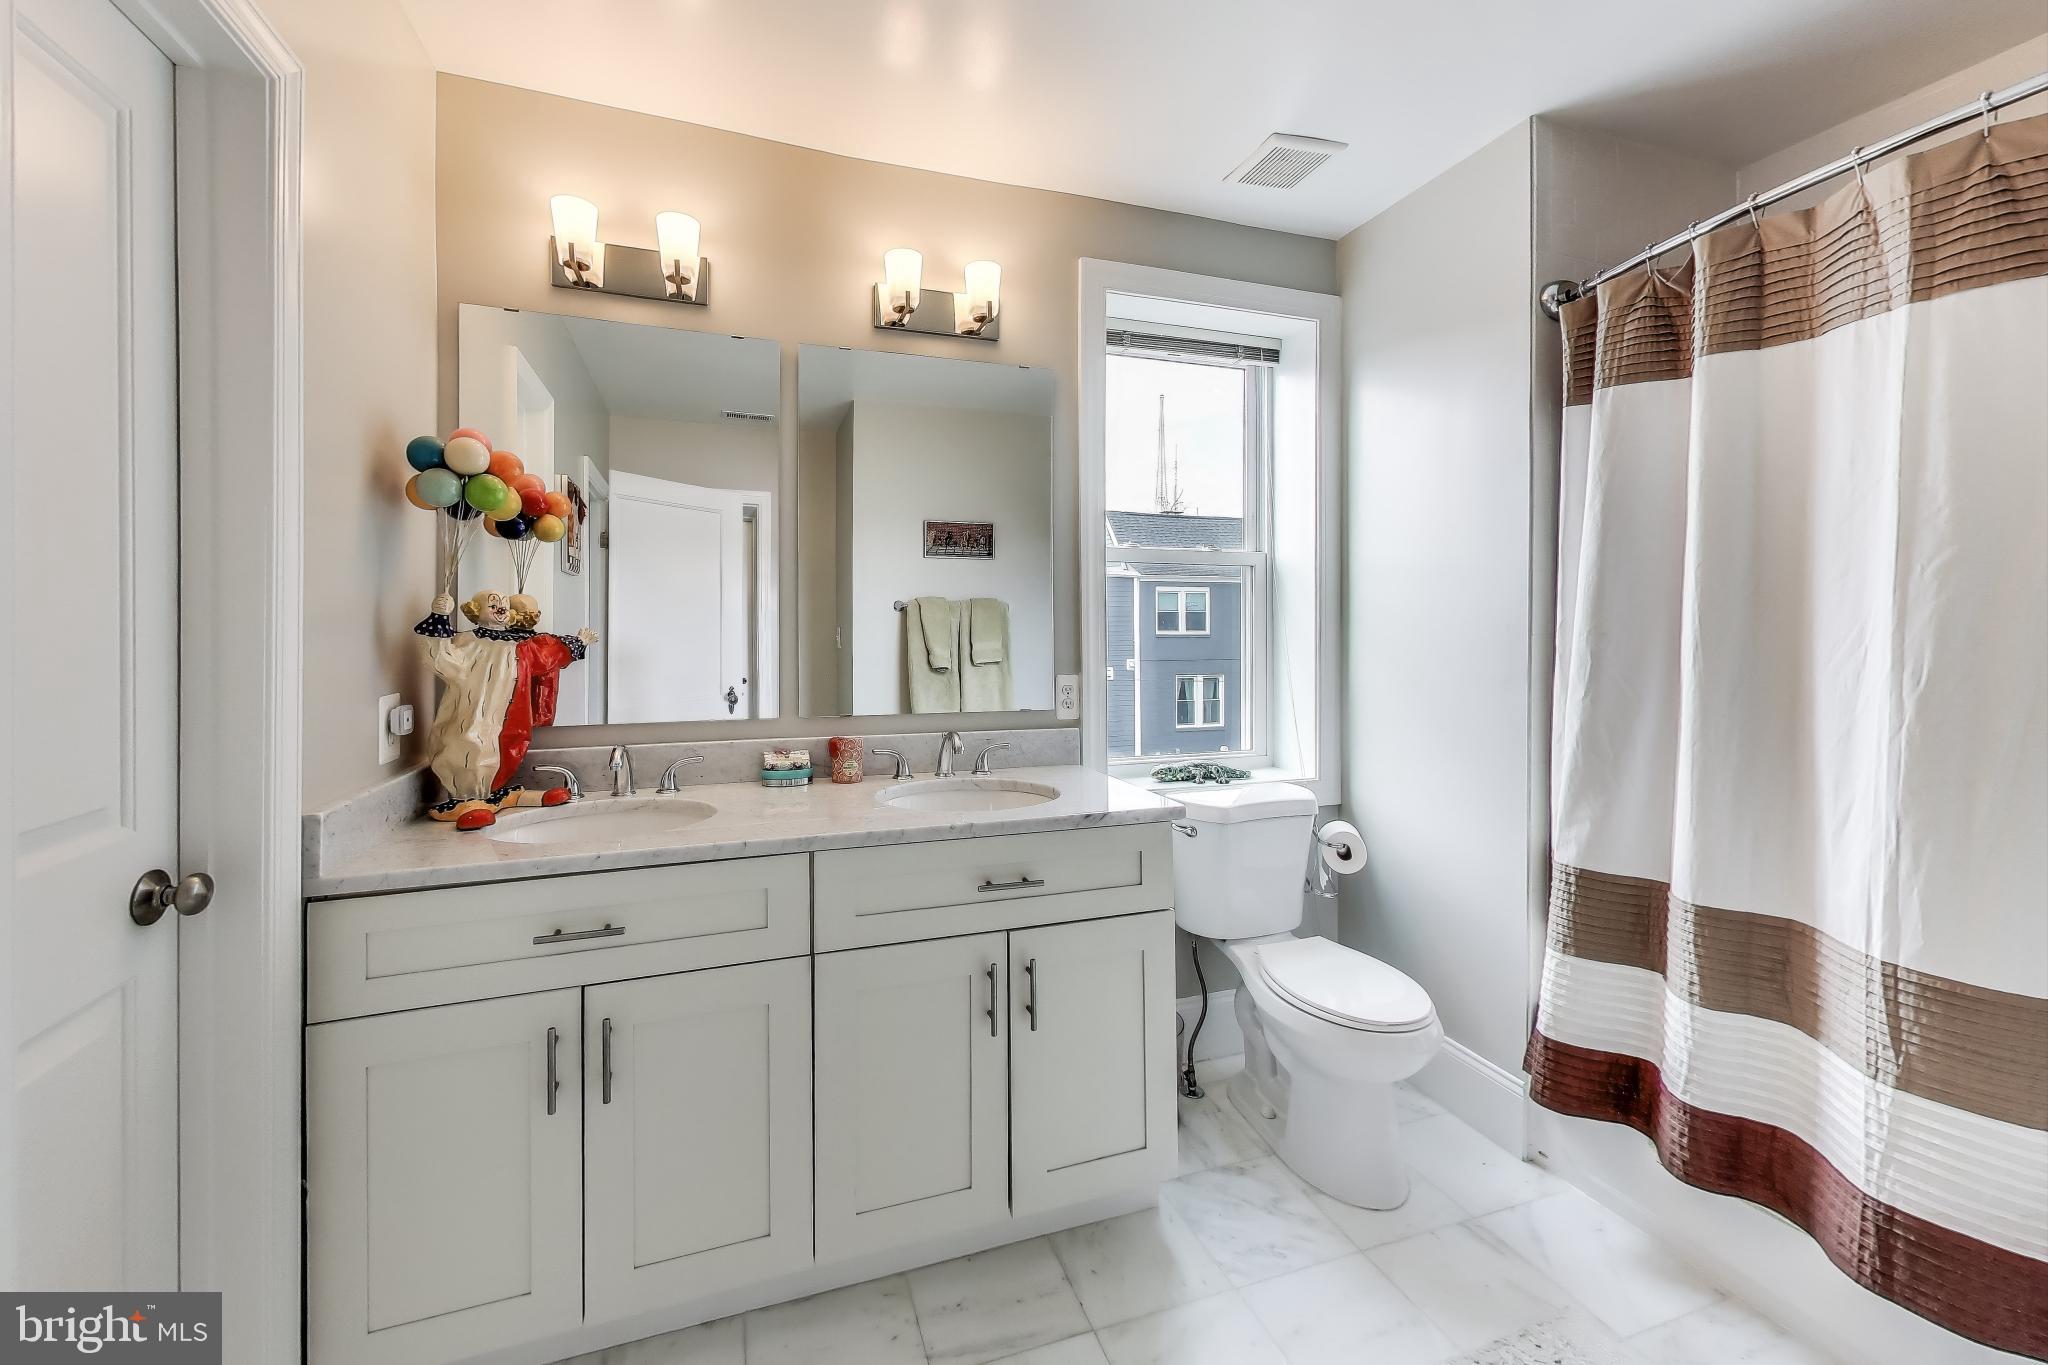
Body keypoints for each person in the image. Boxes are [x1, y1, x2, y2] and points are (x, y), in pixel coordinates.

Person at [414, 589, 596, 829]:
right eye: (492, 605)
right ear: (476, 610)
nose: (500, 609)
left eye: (503, 604)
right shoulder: (467, 641)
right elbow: (440, 658)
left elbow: (544, 656)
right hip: (474, 709)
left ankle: (495, 793)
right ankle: (468, 797)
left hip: (509, 713)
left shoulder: (519, 644)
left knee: (509, 745)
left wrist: (578, 641)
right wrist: (440, 615)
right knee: (471, 744)